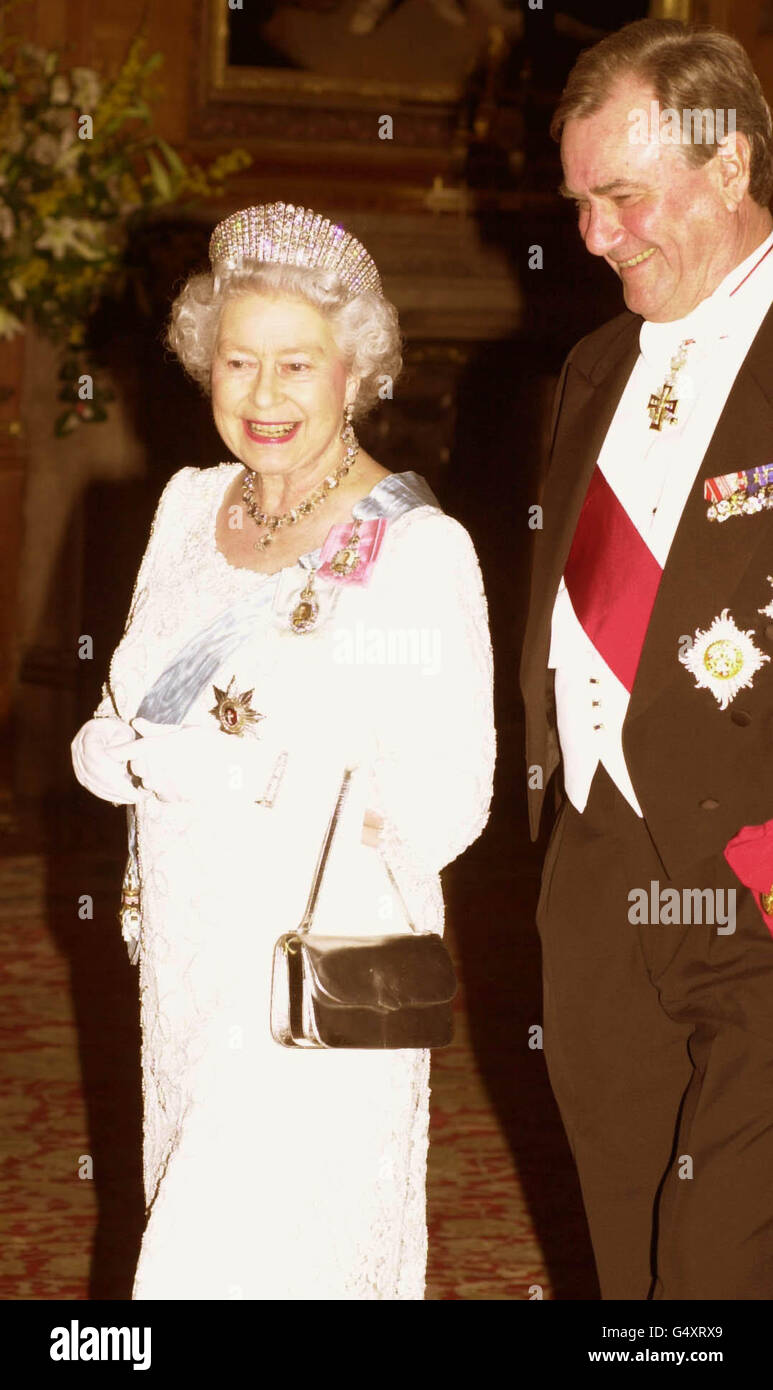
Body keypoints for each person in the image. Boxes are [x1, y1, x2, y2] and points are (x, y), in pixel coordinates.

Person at [71, 201, 495, 1300]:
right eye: (238, 362)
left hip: (312, 968)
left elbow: (448, 798)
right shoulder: (186, 506)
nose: (262, 398)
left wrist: (261, 783)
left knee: (263, 1257)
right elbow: (145, 686)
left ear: (354, 374)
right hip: (183, 951)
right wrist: (114, 744)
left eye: (295, 365)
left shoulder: (412, 550)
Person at [520, 19, 773, 1300]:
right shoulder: (592, 363)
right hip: (603, 865)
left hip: (755, 874)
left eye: (621, 196)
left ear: (726, 166)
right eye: (577, 204)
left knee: (721, 1260)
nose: (593, 238)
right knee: (627, 1250)